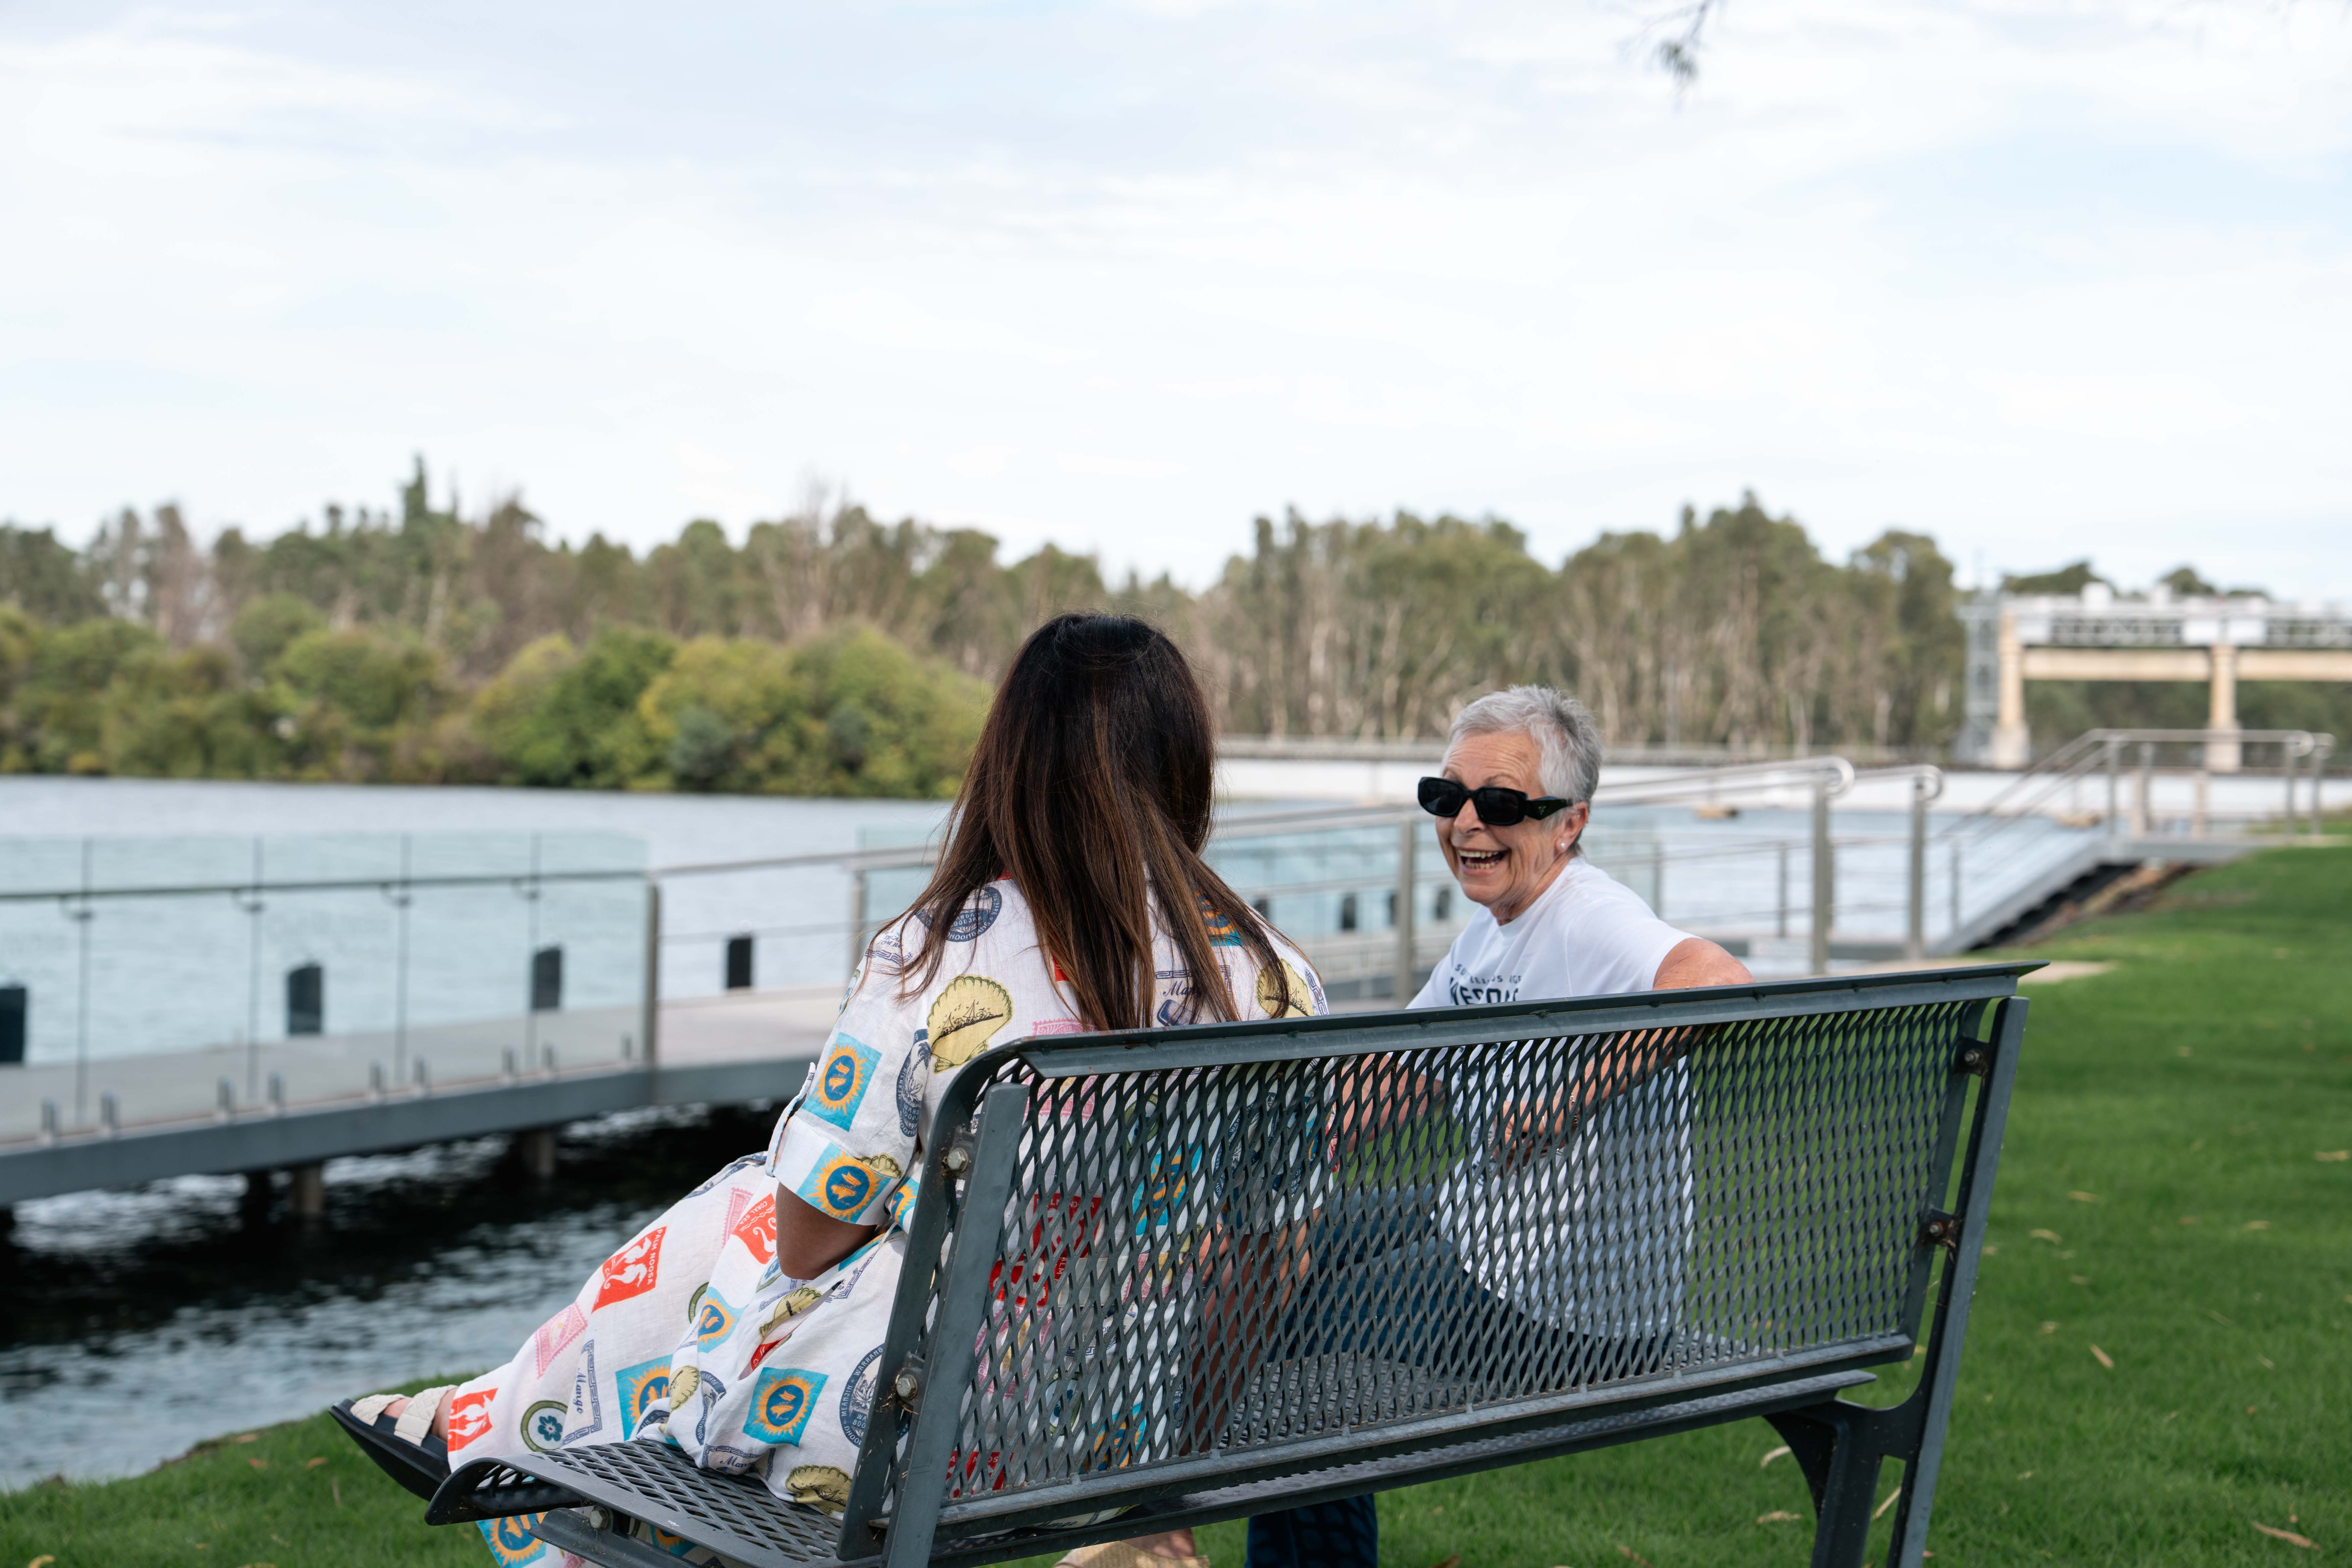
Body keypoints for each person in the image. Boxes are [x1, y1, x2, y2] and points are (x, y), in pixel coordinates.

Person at [332, 614, 1326, 1568]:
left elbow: (810, 1240)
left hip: (902, 1442)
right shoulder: (1279, 978)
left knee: (755, 1206)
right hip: (1120, 1432)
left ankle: (484, 1424)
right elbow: (1276, 1254)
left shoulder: (946, 951)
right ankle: (482, 1417)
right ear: (1184, 766)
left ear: (1012, 766)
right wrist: (1173, 1464)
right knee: (764, 1222)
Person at [1271, 684, 1753, 1568]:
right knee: (1264, 1243)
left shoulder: (1589, 915)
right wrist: (1268, 1155)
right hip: (1489, 1235)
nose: (1465, 823)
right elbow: (1398, 1077)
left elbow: (1717, 979)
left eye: (1498, 802)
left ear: (1569, 823)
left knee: (1277, 1328)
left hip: (1559, 1309)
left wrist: (1571, 1097)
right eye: (1446, 796)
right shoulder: (1491, 934)